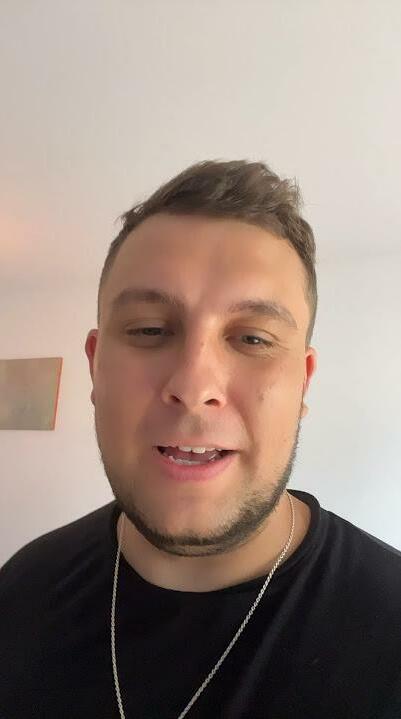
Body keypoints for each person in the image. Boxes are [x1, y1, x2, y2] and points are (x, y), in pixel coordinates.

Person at [1, 160, 400, 719]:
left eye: (253, 338)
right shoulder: (22, 589)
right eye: (149, 329)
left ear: (303, 383)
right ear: (94, 367)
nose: (193, 387)